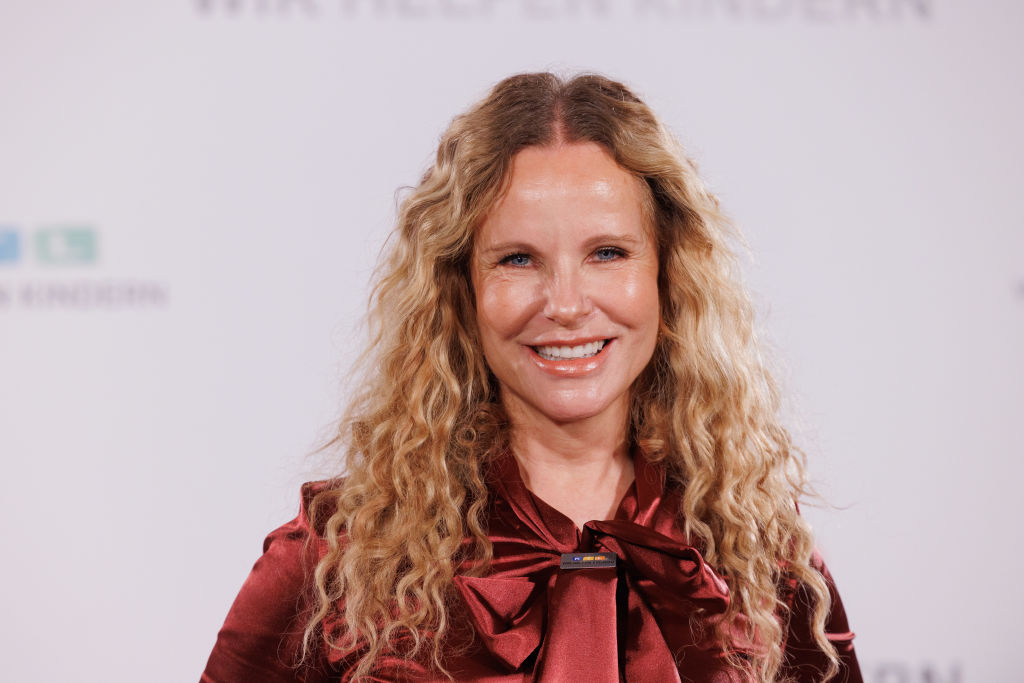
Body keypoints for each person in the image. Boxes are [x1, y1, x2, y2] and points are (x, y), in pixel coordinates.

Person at [201, 72, 862, 683]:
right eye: (518, 259)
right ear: (463, 290)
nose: (566, 304)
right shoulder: (336, 556)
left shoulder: (763, 554)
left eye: (608, 252)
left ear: (668, 275)